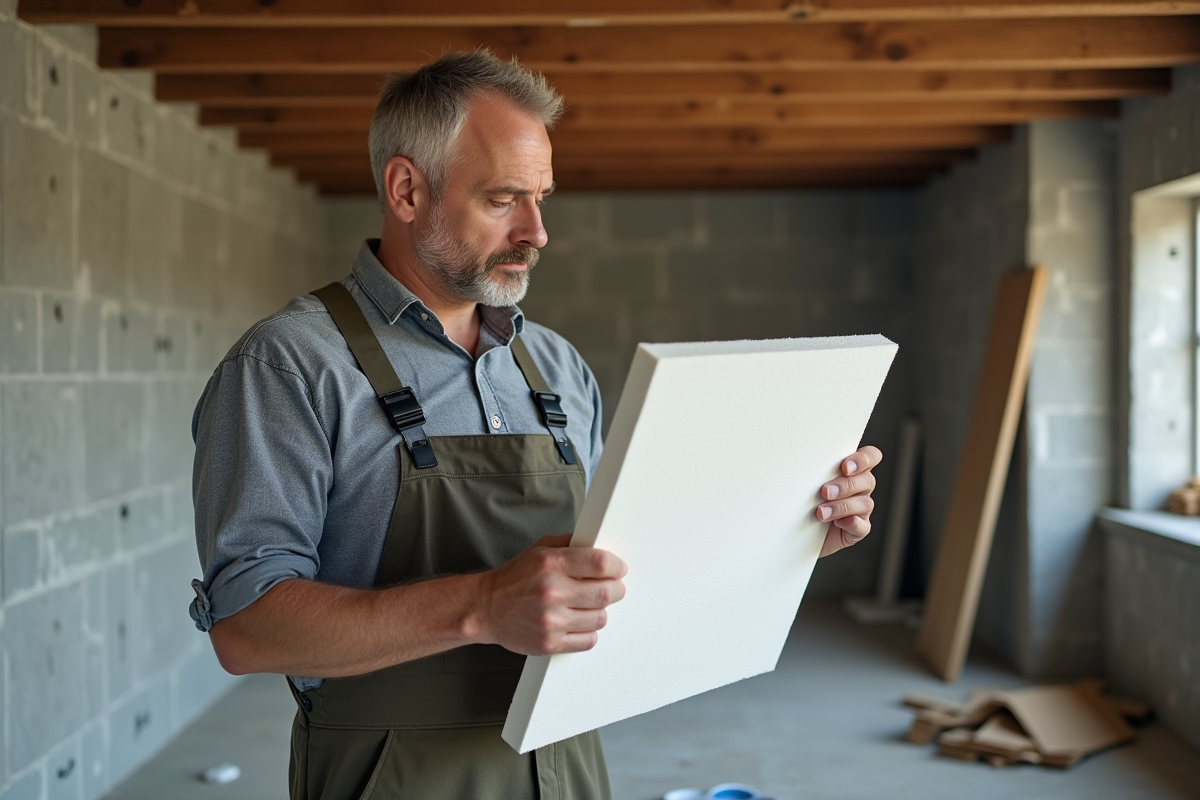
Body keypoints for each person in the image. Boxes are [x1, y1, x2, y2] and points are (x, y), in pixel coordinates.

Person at [188, 50, 883, 800]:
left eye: (542, 197)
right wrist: (483, 606)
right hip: (392, 776)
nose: (538, 231)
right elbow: (246, 626)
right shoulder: (289, 365)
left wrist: (787, 534)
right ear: (406, 189)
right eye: (504, 199)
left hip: (566, 765)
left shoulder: (555, 365)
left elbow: (618, 566)